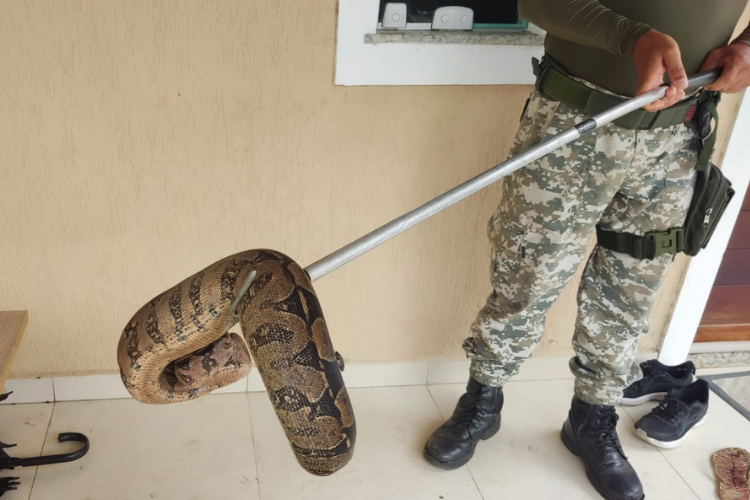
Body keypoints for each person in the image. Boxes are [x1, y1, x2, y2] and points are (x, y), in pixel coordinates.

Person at [423, 2, 750, 500]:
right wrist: (632, 38)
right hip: (574, 119)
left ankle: (591, 419)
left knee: (629, 293)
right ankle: (482, 401)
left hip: (679, 134)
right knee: (526, 274)